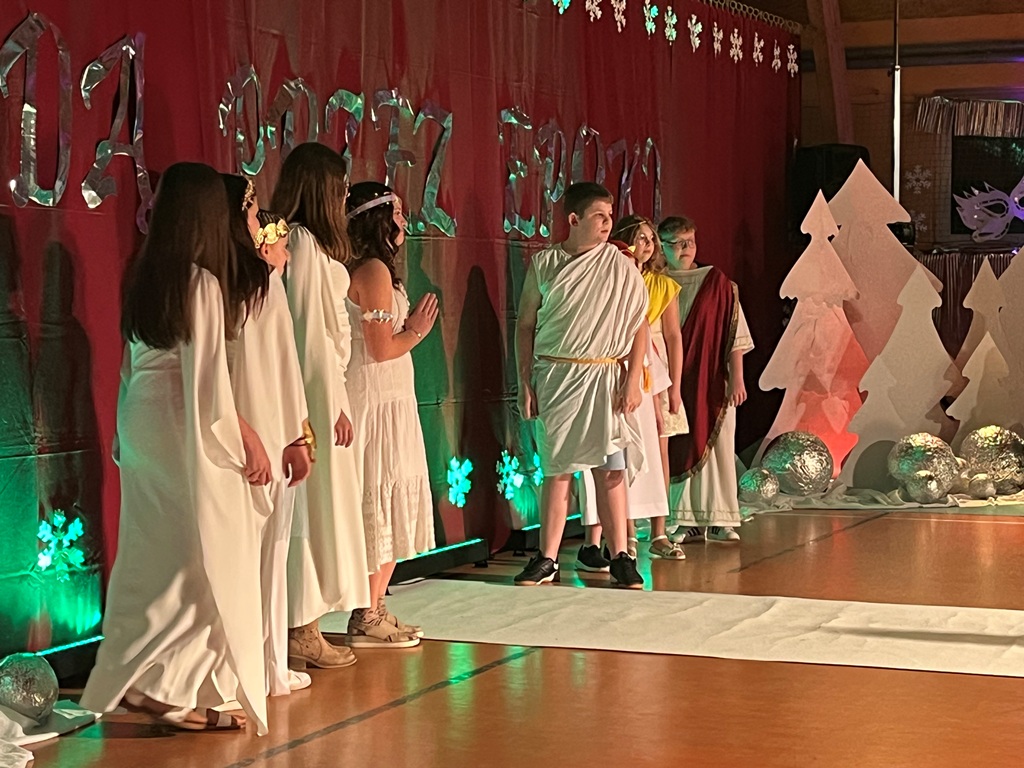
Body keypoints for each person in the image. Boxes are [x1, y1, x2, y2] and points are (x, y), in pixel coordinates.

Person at [81, 163, 266, 733]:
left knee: (159, 553)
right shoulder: (202, 283)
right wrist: (242, 442)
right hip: (180, 421)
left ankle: (161, 683)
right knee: (207, 555)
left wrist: (122, 437)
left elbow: (131, 366)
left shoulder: (144, 274)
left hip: (143, 420)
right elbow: (207, 383)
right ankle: (162, 685)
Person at [514, 182, 648, 589]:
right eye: (600, 216)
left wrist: (632, 378)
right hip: (557, 377)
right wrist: (523, 381)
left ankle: (620, 555)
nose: (608, 224)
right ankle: (547, 558)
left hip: (605, 377)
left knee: (610, 469)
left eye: (610, 216)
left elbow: (639, 324)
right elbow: (525, 325)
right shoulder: (546, 264)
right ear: (574, 219)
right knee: (557, 470)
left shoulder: (621, 266)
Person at [271, 143, 370, 668]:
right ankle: (300, 627)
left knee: (320, 508)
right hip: (316, 390)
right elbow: (309, 333)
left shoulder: (304, 241)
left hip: (326, 384)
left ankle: (304, 623)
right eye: (340, 186)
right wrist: (329, 405)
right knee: (312, 508)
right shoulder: (303, 242)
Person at [223, 173, 314, 695]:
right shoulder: (256, 282)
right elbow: (282, 361)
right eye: (255, 214)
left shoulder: (226, 281)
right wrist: (296, 436)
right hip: (262, 429)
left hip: (241, 426)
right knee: (266, 552)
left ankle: (255, 666)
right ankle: (264, 668)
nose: (261, 223)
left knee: (252, 554)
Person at [343, 181, 437, 646]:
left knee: (390, 498)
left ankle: (375, 605)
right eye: (397, 214)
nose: (404, 223)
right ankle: (366, 611)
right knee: (380, 497)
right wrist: (416, 330)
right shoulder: (373, 271)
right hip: (376, 401)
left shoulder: (379, 270)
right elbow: (380, 349)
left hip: (392, 398)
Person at [577, 215, 687, 569]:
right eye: (640, 238)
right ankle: (621, 536)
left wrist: (673, 388)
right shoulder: (610, 276)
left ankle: (657, 531)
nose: (647, 245)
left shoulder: (660, 285)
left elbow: (670, 337)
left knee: (655, 452)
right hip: (616, 368)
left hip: (650, 373)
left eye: (651, 239)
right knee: (615, 457)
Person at [659, 216, 752, 543]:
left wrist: (737, 378)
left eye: (691, 242)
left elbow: (735, 334)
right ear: (662, 246)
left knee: (719, 451)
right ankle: (683, 520)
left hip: (712, 380)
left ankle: (721, 519)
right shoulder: (656, 282)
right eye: (678, 243)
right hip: (673, 380)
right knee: (678, 449)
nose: (686, 249)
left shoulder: (718, 283)